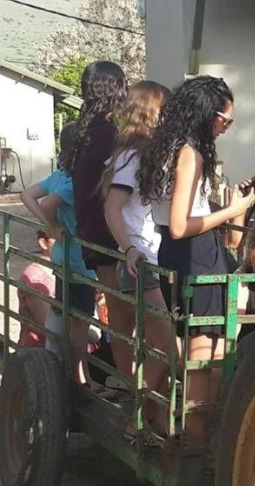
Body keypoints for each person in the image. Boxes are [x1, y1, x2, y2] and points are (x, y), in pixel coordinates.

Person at [137, 75, 255, 446]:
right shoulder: (190, 153)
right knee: (203, 357)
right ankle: (194, 442)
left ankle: (152, 423)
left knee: (188, 351)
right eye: (225, 120)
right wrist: (234, 210)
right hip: (196, 256)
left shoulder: (163, 146)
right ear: (207, 114)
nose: (225, 127)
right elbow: (180, 225)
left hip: (174, 255)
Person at [101, 80, 178, 434]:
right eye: (163, 111)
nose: (167, 118)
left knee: (154, 345)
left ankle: (152, 417)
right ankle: (140, 416)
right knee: (170, 349)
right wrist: (130, 249)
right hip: (140, 262)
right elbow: (112, 208)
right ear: (149, 113)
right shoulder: (131, 158)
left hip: (148, 258)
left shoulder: (142, 156)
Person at [66, 60, 131, 375]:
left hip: (90, 230)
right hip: (108, 233)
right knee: (123, 316)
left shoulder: (84, 131)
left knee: (119, 313)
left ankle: (124, 379)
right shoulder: (109, 133)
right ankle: (131, 383)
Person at [20, 124, 98, 382]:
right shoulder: (75, 181)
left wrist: (49, 225)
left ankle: (76, 374)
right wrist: (51, 223)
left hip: (63, 257)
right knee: (80, 324)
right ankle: (80, 378)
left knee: (69, 317)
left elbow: (27, 195)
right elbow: (48, 203)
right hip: (80, 262)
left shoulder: (58, 175)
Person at [16, 230, 55, 348]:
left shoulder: (73, 271)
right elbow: (46, 324)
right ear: (44, 243)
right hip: (41, 349)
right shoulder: (34, 277)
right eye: (58, 241)